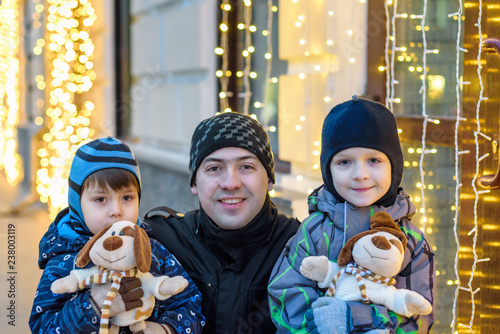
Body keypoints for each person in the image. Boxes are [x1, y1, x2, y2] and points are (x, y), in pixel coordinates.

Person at [268, 96, 435, 333]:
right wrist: (317, 327)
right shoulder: (314, 231)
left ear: (394, 166)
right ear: (329, 171)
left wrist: (353, 318)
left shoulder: (411, 241)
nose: (360, 174)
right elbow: (285, 292)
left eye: (374, 160)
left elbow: (418, 315)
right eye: (345, 162)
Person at [144, 112, 301, 333]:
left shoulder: (300, 245)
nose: (230, 183)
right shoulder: (162, 241)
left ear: (269, 179)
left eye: (246, 166)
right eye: (214, 168)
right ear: (195, 182)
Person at [29, 137, 204, 334]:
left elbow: (190, 303)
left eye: (127, 197)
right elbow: (42, 325)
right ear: (77, 203)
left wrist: (167, 329)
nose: (116, 210)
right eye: (101, 199)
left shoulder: (151, 251)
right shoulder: (64, 261)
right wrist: (93, 305)